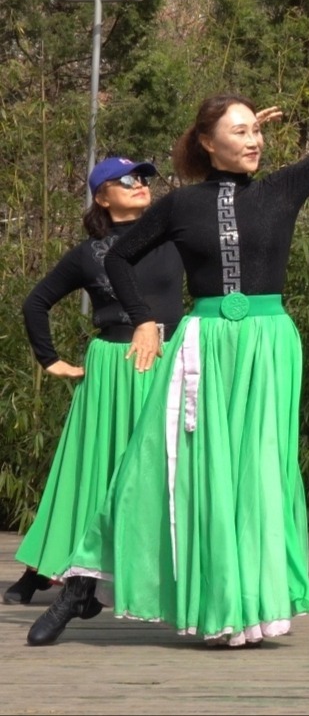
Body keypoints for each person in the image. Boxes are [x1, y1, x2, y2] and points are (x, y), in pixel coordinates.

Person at [27, 50, 309, 648]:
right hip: (201, 345)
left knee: (256, 472)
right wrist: (145, 320)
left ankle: (240, 603)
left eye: (255, 129)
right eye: (239, 130)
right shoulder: (179, 204)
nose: (253, 140)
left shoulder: (283, 189)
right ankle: (81, 585)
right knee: (150, 464)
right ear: (206, 141)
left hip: (269, 344)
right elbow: (117, 256)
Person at [6, 159, 183, 608]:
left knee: (163, 470)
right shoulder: (91, 253)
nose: (140, 184)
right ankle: (43, 569)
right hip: (113, 368)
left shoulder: (174, 240)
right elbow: (36, 303)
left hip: (166, 363)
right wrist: (52, 361)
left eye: (143, 178)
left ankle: (158, 573)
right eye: (127, 180)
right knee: (92, 471)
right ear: (102, 196)